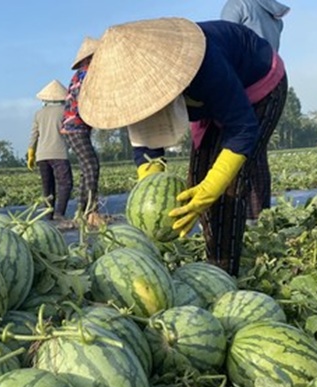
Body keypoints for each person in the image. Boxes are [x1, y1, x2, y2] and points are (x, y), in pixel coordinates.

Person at [80, 18, 287, 276]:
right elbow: (144, 138)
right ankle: (219, 257)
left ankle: (225, 276)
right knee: (196, 181)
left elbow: (242, 127)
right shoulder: (139, 85)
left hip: (260, 86)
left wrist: (214, 186)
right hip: (209, 99)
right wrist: (151, 181)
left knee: (226, 189)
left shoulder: (205, 63)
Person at [61, 36, 103, 226]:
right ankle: (91, 211)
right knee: (92, 165)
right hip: (75, 127)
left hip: (74, 128)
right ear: (91, 58)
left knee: (88, 168)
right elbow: (84, 104)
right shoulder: (86, 75)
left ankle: (83, 211)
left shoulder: (80, 75)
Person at [27, 80, 73, 221]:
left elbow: (34, 135)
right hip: (59, 153)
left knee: (48, 187)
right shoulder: (65, 112)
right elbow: (70, 131)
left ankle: (48, 215)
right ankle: (59, 213)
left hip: (42, 156)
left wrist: (31, 153)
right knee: (65, 183)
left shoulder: (39, 114)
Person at [221, 0, 290, 52]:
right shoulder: (274, 12)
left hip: (246, 67)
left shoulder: (237, 4)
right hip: (272, 66)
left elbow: (226, 42)